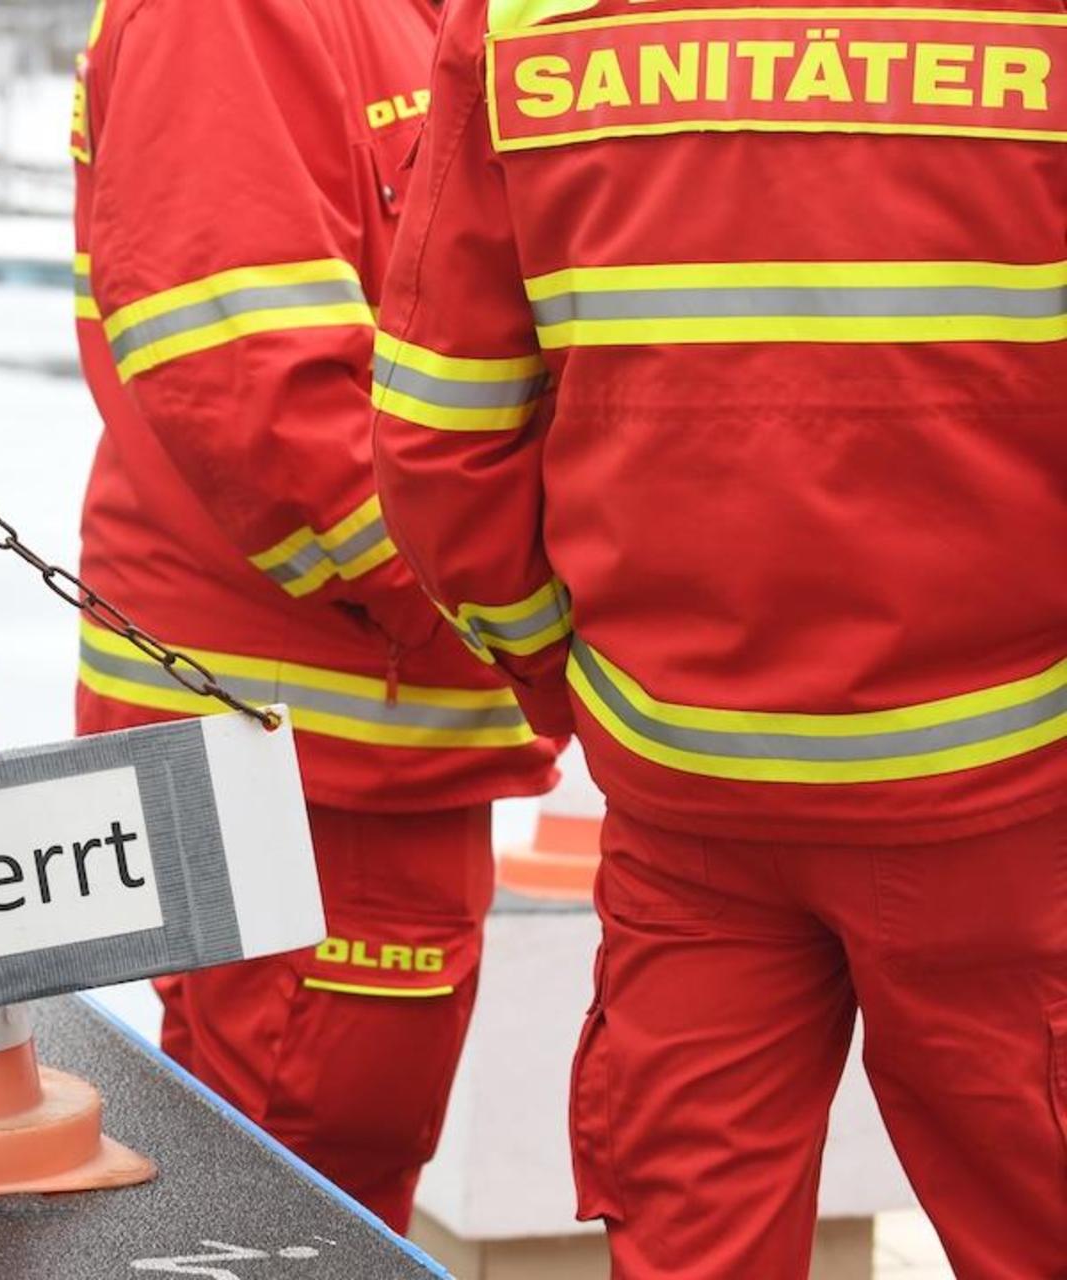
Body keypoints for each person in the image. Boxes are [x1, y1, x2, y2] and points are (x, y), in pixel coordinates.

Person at [370, 0, 1067, 1273]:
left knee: (697, 1245)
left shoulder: (523, 18)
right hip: (1012, 797)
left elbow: (439, 442)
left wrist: (575, 681)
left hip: (688, 799)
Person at [68, 0, 560, 1231]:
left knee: (302, 1187)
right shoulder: (234, 18)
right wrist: (536, 617)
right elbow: (252, 388)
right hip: (309, 752)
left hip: (372, 732)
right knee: (297, 1208)